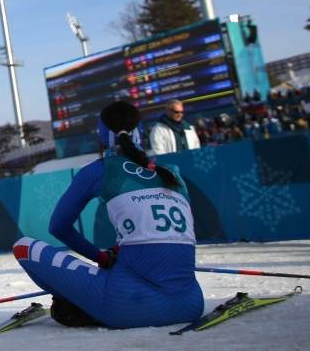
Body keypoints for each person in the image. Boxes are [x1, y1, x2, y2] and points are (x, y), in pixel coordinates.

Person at [13, 100, 204, 328]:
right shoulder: (171, 174)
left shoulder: (99, 170)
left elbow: (58, 227)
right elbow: (174, 235)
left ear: (102, 136)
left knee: (23, 246)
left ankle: (78, 304)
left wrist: (101, 257)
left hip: (128, 304)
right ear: (141, 133)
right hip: (191, 304)